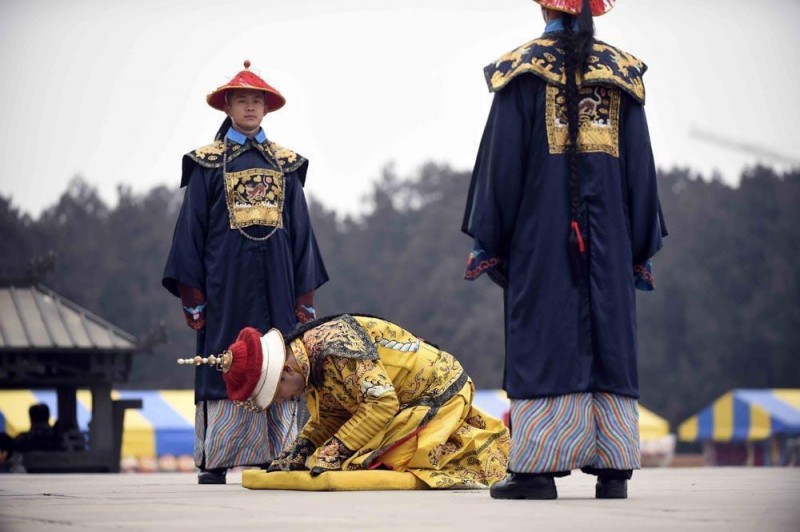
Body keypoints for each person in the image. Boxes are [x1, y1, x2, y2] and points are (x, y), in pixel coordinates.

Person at [462, 0, 667, 499]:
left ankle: (536, 472)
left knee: (543, 336)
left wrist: (493, 240)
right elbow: (640, 172)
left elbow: (501, 168)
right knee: (610, 338)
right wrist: (636, 245)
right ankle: (613, 469)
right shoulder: (622, 75)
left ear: (544, 9)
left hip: (541, 242)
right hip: (611, 242)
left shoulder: (521, 73)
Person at [163, 60, 329, 485]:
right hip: (225, 285)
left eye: (257, 101)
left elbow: (302, 235)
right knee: (225, 358)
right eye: (242, 100)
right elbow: (190, 232)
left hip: (278, 285)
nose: (250, 108)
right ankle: (218, 457)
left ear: (267, 109)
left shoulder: (287, 165)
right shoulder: (206, 164)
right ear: (228, 107)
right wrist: (193, 292)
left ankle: (280, 452)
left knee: (282, 359)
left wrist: (304, 297)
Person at [180, 314, 510, 489]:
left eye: (277, 393)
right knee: (339, 457)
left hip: (437, 392)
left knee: (371, 458)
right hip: (403, 402)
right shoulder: (310, 362)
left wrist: (334, 450)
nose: (284, 398)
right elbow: (334, 414)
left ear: (283, 372)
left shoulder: (338, 346)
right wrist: (300, 451)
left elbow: (380, 405)